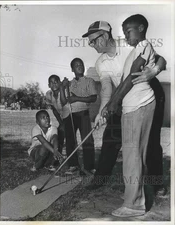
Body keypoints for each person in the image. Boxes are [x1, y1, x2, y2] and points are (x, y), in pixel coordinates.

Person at [82, 19, 166, 196]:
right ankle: (100, 180)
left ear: (105, 35)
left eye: (94, 39)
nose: (91, 44)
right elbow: (107, 88)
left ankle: (156, 184)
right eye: (89, 41)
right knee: (111, 138)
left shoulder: (129, 44)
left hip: (150, 93)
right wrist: (101, 112)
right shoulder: (101, 63)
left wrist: (155, 70)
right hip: (122, 99)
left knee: (150, 140)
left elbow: (160, 59)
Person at [61, 58, 97, 174]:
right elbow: (64, 101)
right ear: (72, 69)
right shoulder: (69, 84)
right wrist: (63, 87)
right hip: (70, 114)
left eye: (81, 64)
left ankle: (89, 167)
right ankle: (73, 165)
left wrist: (76, 98)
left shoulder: (89, 81)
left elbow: (93, 98)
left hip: (83, 113)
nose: (80, 66)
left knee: (87, 140)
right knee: (71, 140)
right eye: (76, 65)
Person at [45, 75, 70, 155]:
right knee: (60, 132)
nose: (54, 84)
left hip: (71, 115)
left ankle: (64, 155)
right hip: (62, 117)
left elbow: (67, 107)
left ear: (59, 83)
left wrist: (64, 123)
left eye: (56, 82)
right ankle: (58, 155)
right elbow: (54, 110)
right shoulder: (49, 94)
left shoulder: (64, 91)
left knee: (63, 133)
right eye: (51, 83)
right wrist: (61, 122)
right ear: (48, 85)